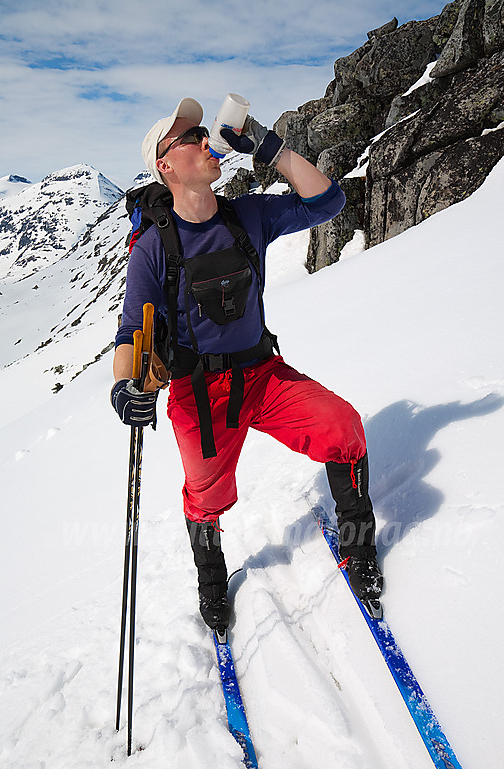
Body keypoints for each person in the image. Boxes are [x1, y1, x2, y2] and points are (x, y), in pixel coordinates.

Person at [111, 96, 382, 631]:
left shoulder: (247, 215)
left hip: (263, 375)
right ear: (166, 165)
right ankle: (211, 575)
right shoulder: (152, 247)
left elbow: (327, 201)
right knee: (207, 497)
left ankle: (358, 547)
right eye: (191, 139)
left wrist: (269, 147)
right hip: (199, 392)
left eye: (204, 134)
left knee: (343, 428)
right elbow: (131, 332)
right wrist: (125, 387)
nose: (206, 143)